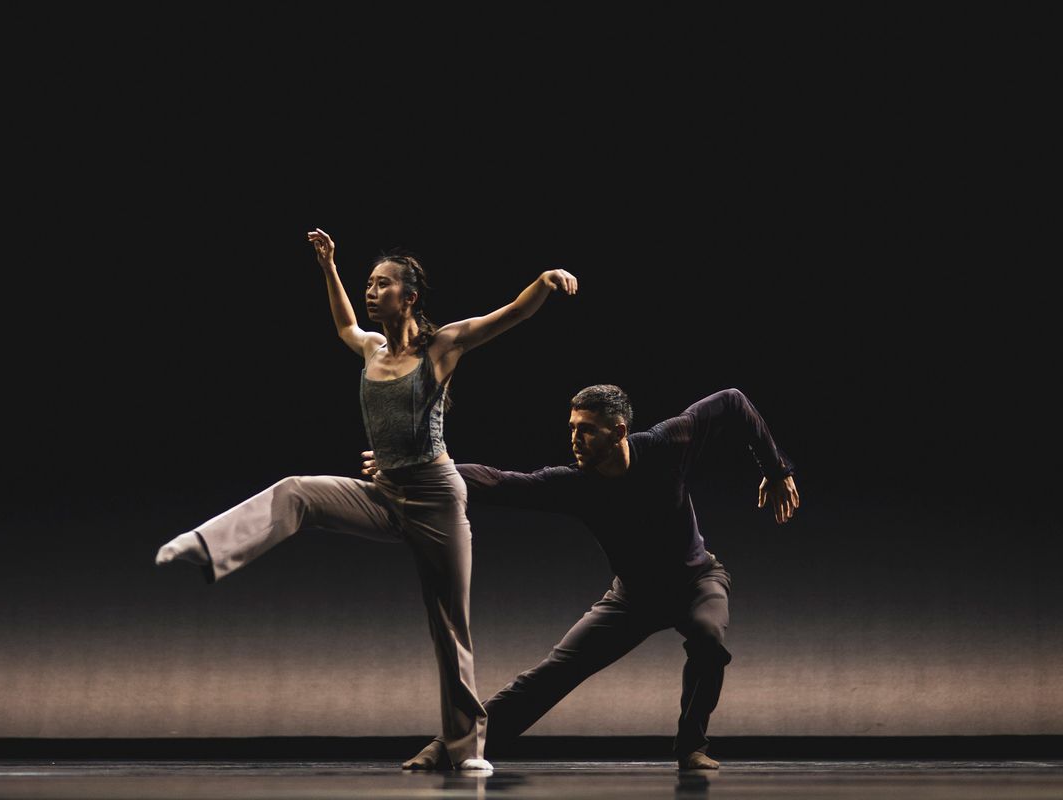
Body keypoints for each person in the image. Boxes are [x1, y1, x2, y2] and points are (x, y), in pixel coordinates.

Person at [155, 228, 578, 771]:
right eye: (368, 285)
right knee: (298, 491)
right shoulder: (371, 348)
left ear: (410, 296)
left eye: (382, 285)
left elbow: (510, 315)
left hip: (436, 500)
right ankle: (207, 545)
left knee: (450, 625)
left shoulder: (441, 347)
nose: (371, 292)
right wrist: (329, 266)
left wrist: (544, 281)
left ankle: (467, 749)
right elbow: (344, 325)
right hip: (384, 494)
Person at [362, 384, 799, 771]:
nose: (575, 439)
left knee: (708, 638)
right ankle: (448, 748)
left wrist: (776, 469)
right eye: (572, 428)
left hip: (697, 580)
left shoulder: (667, 443)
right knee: (550, 675)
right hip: (632, 600)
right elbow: (498, 482)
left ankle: (691, 747)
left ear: (619, 431)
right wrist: (415, 471)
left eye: (587, 430)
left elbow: (733, 402)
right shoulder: (574, 483)